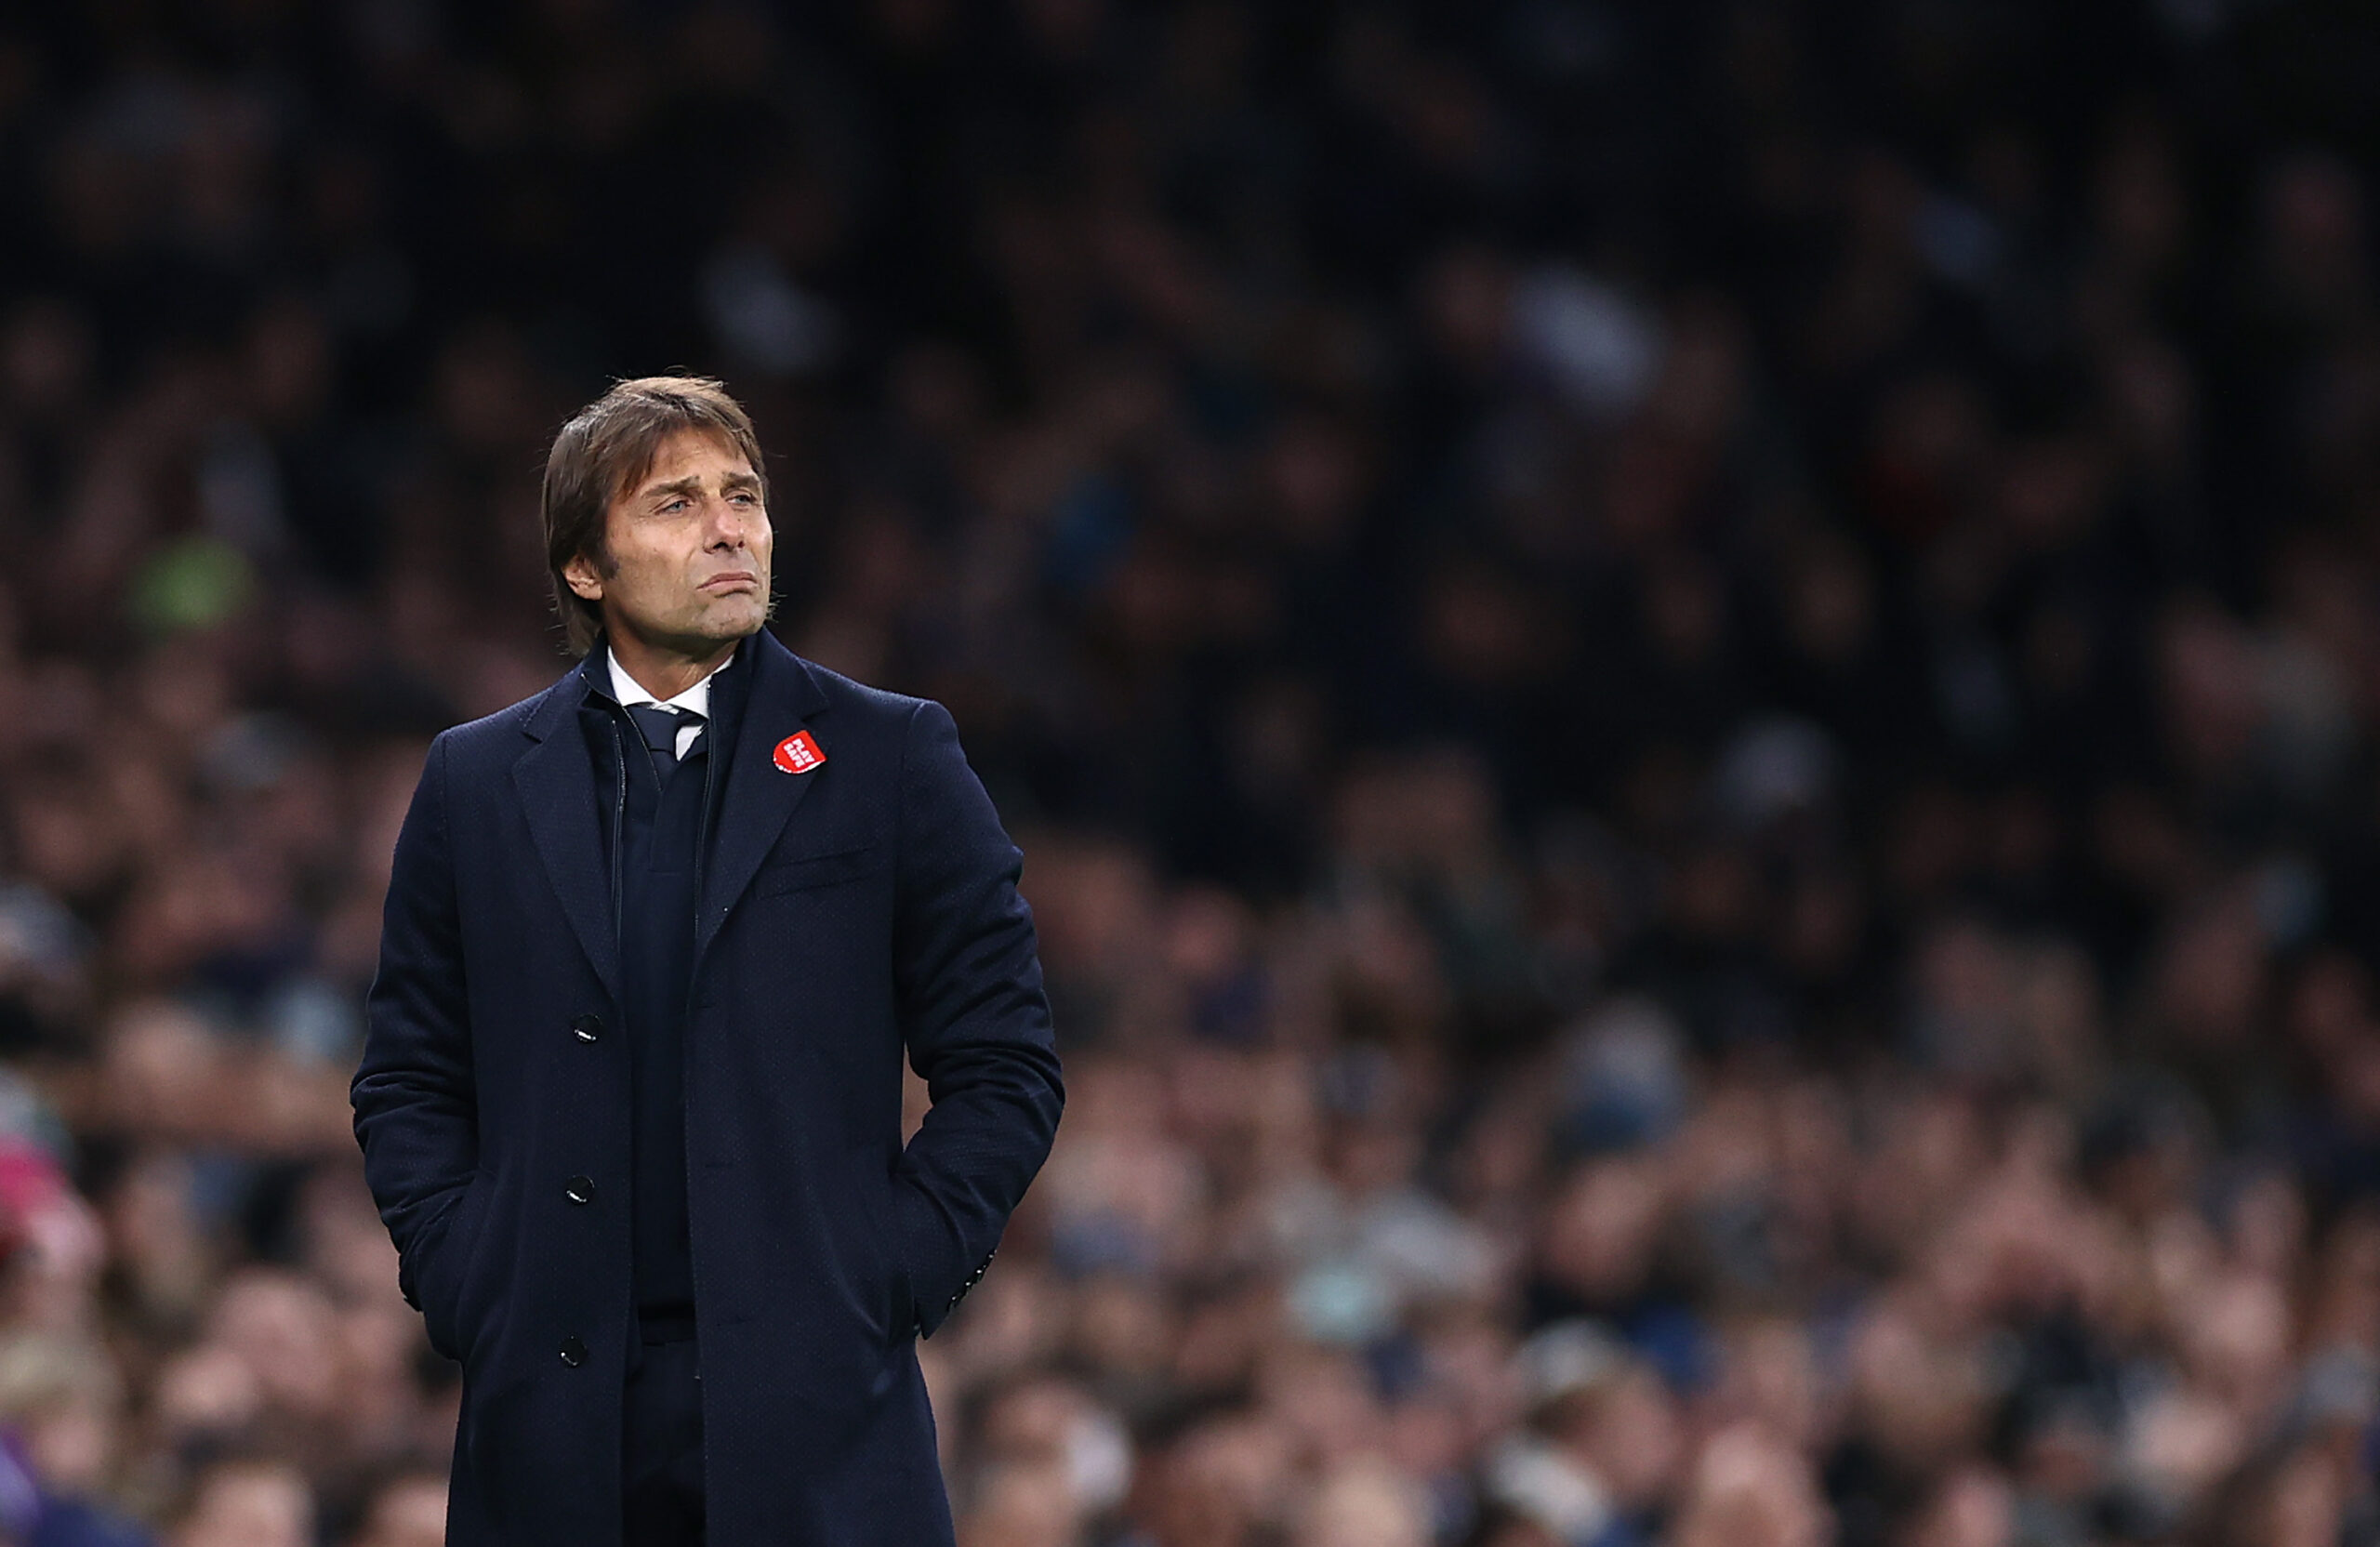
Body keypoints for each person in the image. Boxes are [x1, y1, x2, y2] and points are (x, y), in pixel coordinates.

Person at [350, 377, 1064, 1546]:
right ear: (585, 566)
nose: (729, 528)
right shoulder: (473, 781)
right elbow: (410, 1078)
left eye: (743, 496)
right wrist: (470, 1275)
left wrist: (890, 1270)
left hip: (818, 1416)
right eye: (675, 503)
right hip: (552, 1424)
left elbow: (1005, 1063)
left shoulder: (889, 754)